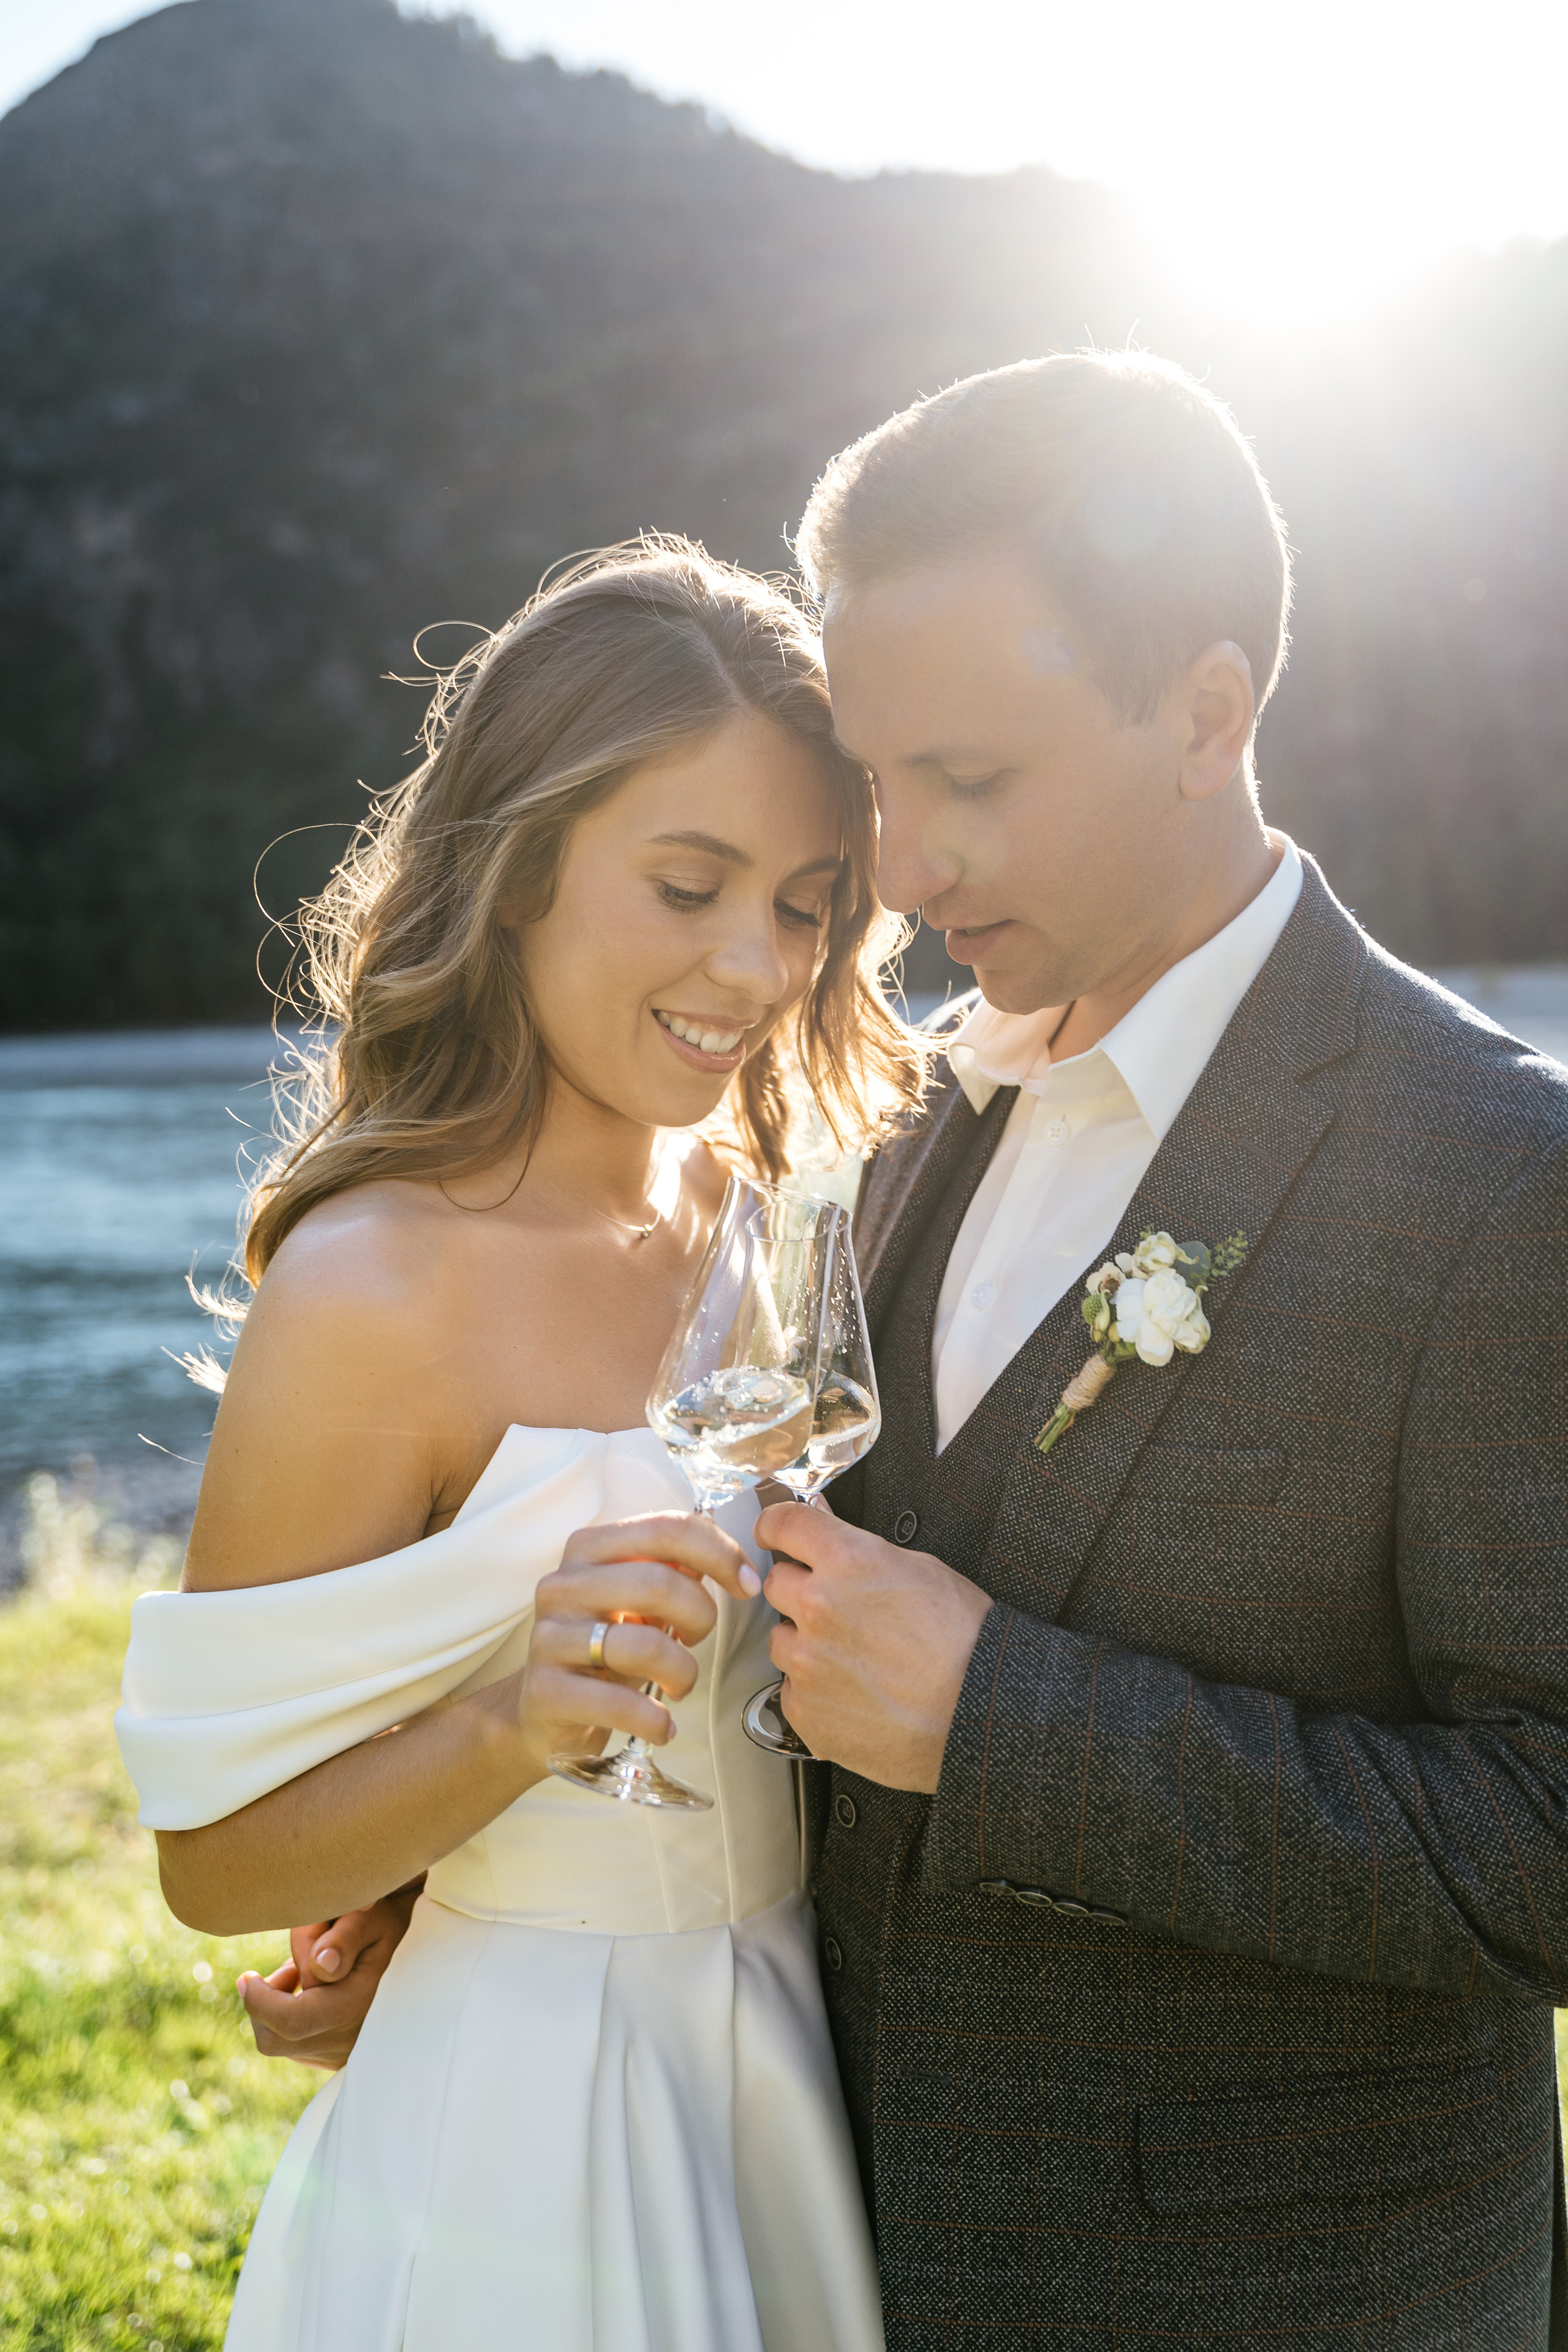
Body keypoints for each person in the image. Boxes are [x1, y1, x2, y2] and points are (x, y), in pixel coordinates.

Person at [224, 353, 1568, 2348]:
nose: (908, 878)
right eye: (882, 785)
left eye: (978, 780)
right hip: (800, 2239)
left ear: (1210, 714)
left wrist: (1002, 1718)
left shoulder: (1492, 1174)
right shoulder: (877, 1136)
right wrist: (456, 1890)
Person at [114, 539, 923, 2351]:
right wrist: (506, 1732)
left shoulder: (766, 1220)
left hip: (792, 2071)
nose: (755, 964)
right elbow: (217, 1862)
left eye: (804, 903)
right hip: (528, 2125)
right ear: (515, 867)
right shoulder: (376, 1284)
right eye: (687, 884)